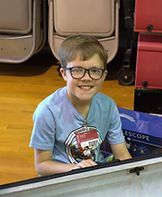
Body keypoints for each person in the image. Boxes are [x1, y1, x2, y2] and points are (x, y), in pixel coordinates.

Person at [30, 35, 131, 176]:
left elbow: (122, 154)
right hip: (61, 179)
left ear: (104, 75)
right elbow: (42, 165)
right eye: (77, 70)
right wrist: (76, 168)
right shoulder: (47, 112)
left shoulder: (109, 106)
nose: (86, 77)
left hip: (94, 173)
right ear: (64, 73)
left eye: (95, 71)